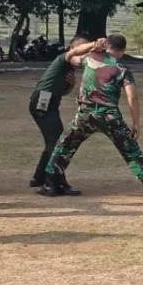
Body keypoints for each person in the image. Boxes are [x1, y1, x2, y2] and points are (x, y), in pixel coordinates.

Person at [40, 36, 143, 199]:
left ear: (106, 46)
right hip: (110, 115)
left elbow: (70, 56)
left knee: (64, 145)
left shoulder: (89, 59)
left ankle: (50, 184)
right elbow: (132, 97)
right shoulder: (122, 69)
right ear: (123, 50)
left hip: (85, 114)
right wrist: (136, 123)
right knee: (130, 149)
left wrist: (91, 47)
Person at [29, 35, 89, 193]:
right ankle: (45, 179)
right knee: (56, 143)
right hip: (42, 103)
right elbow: (79, 58)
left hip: (51, 104)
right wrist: (96, 46)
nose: (85, 54)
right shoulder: (64, 58)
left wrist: (71, 85)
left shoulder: (67, 68)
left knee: (58, 142)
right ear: (72, 49)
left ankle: (46, 178)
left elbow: (63, 91)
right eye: (83, 49)